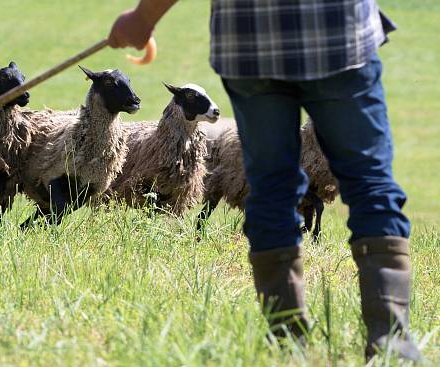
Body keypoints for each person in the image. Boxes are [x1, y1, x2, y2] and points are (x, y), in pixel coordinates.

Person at [108, 0, 421, 361]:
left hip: (250, 40)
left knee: (272, 186)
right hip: (339, 33)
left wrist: (143, 18)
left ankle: (288, 345)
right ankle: (392, 347)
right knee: (370, 183)